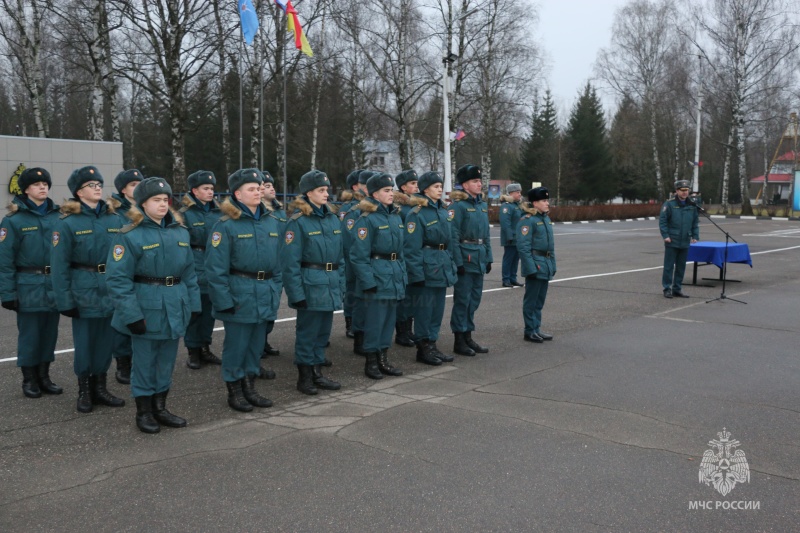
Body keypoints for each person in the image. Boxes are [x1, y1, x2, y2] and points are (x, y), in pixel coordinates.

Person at [106, 177, 200, 433]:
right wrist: (131, 315)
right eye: (155, 200)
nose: (162, 204)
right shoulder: (129, 235)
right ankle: (144, 412)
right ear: (142, 204)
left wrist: (194, 306)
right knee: (145, 362)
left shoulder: (180, 232)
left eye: (165, 200)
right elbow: (117, 280)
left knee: (167, 361)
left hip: (175, 304)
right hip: (147, 307)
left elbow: (190, 274)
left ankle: (161, 407)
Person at [51, 166, 126, 413]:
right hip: (83, 288)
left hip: (110, 287)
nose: (97, 189)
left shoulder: (115, 219)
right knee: (85, 342)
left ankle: (100, 387)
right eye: (91, 186)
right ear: (78, 192)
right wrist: (65, 300)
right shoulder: (67, 222)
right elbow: (59, 265)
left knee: (107, 340)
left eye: (98, 184)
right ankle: (84, 389)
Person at [206, 169, 281, 412]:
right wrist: (223, 301)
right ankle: (235, 391)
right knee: (236, 346)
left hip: (264, 291)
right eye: (252, 188)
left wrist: (275, 290)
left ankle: (250, 387)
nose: (258, 191)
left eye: (259, 187)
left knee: (255, 346)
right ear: (237, 194)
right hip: (240, 293)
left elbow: (279, 263)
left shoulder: (272, 221)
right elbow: (215, 270)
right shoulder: (225, 226)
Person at [0, 168, 63, 398]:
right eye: (37, 184)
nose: (42, 187)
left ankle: (45, 377)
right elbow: (4, 261)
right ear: (25, 189)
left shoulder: (59, 217)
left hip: (53, 284)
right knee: (30, 335)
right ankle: (29, 379)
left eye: (45, 183)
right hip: (28, 285)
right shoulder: (13, 221)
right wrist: (7, 293)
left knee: (49, 333)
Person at [283, 170, 344, 395]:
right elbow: (290, 263)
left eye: (327, 190)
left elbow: (341, 257)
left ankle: (318, 372)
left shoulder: (331, 218)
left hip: (329, 283)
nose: (326, 194)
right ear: (309, 193)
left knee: (322, 333)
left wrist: (341, 284)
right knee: (308, 334)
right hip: (310, 285)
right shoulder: (298, 222)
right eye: (321, 190)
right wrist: (296, 294)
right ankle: (305, 377)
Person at [350, 173, 406, 379]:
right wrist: (368, 281)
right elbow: (358, 255)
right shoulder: (367, 219)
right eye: (386, 190)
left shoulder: (395, 216)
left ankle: (383, 358)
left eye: (392, 190)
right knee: (375, 321)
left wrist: (403, 277)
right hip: (377, 275)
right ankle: (371, 361)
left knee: (388, 321)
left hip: (393, 275)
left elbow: (402, 252)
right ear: (374, 194)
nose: (391, 194)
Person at [403, 171, 457, 365]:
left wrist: (451, 264)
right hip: (427, 267)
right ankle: (423, 347)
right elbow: (411, 248)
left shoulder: (442, 211)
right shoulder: (416, 214)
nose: (440, 189)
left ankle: (432, 344)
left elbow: (448, 241)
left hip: (441, 264)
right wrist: (416, 274)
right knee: (424, 310)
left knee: (437, 309)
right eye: (436, 186)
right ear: (425, 189)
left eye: (441, 186)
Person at [179, 170, 223, 369]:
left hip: (214, 264)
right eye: (206, 188)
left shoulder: (219, 213)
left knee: (209, 312)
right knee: (194, 311)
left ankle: (205, 347)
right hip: (195, 265)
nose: (210, 192)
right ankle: (193, 351)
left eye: (212, 188)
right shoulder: (185, 214)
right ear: (194, 191)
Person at [449, 164, 492, 356]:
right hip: (466, 258)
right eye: (474, 181)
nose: (479, 184)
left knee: (474, 300)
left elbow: (486, 235)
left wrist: (488, 257)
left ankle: (468, 336)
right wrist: (458, 263)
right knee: (462, 300)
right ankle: (459, 339)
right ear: (464, 185)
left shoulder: (481, 205)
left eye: (479, 180)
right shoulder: (458, 206)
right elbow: (453, 236)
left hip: (479, 258)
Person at [108, 169, 142, 385]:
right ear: (123, 189)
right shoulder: (114, 213)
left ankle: (138, 361)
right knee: (123, 320)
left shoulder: (148, 207)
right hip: (122, 271)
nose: (138, 188)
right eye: (133, 185)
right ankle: (122, 363)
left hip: (144, 274)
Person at [517, 187, 556, 343]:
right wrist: (530, 267)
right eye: (544, 201)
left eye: (547, 200)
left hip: (545, 263)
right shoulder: (528, 220)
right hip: (536, 263)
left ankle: (536, 328)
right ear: (535, 203)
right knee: (531, 300)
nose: (547, 203)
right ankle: (529, 330)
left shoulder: (545, 219)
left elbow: (550, 247)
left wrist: (552, 264)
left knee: (540, 300)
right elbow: (523, 247)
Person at [392, 169, 425, 348]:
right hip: (405, 256)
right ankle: (402, 332)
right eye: (412, 183)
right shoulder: (401, 209)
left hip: (415, 255)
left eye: (416, 182)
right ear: (403, 187)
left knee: (413, 295)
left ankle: (409, 330)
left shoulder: (415, 206)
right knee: (405, 297)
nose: (416, 186)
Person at [260, 169, 287, 363]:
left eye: (272, 185)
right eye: (266, 186)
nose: (272, 189)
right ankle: (258, 343)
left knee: (272, 306)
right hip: (264, 264)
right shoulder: (260, 213)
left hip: (278, 264)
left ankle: (264, 339)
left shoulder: (279, 210)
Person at [659, 179, 700, 298]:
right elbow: (663, 221)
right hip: (672, 239)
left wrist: (695, 236)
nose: (684, 193)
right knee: (669, 266)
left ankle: (677, 288)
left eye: (686, 190)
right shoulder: (669, 204)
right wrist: (665, 235)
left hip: (685, 240)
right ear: (677, 191)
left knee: (681, 266)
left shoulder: (692, 205)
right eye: (682, 190)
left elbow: (694, 222)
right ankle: (667, 288)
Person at [337, 169, 365, 339]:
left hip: (363, 257)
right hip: (350, 257)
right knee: (351, 290)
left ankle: (360, 323)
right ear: (355, 187)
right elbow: (348, 236)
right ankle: (350, 322)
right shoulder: (349, 208)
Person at [499, 183, 524, 287]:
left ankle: (513, 278)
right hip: (511, 238)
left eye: (520, 192)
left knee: (515, 259)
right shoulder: (507, 206)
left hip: (518, 237)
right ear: (511, 193)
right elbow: (505, 223)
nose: (519, 194)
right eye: (517, 192)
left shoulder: (517, 205)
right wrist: (509, 236)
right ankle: (506, 279)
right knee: (508, 259)